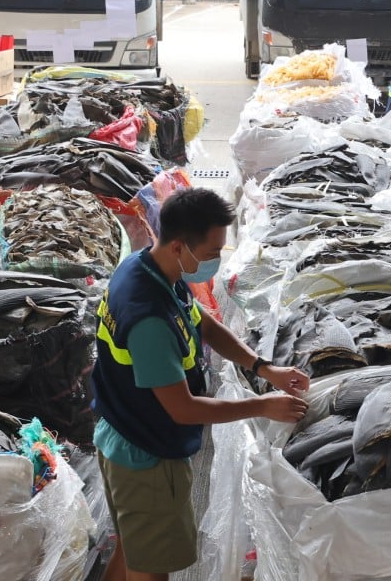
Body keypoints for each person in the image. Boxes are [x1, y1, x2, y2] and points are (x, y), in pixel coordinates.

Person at [90, 188, 310, 581]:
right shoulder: (150, 319)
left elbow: (203, 323)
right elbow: (184, 408)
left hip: (121, 431)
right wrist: (262, 406)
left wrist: (262, 367)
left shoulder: (147, 268)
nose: (214, 262)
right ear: (179, 246)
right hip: (146, 456)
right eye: (211, 254)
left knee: (133, 546)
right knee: (152, 568)